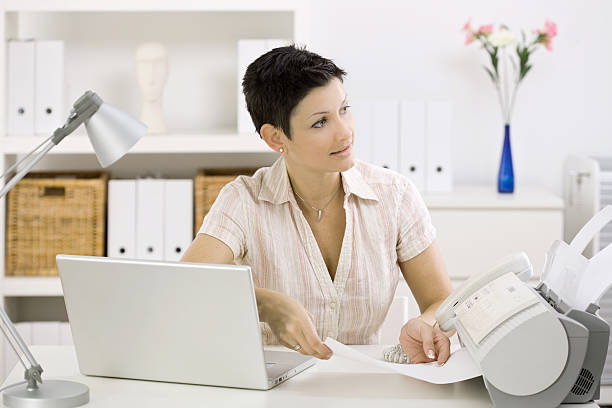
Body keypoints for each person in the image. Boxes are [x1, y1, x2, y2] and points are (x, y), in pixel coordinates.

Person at [182, 45, 455, 364]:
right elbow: (188, 284)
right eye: (319, 123)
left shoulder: (394, 195)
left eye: (344, 109)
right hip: (274, 386)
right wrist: (265, 304)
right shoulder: (244, 199)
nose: (344, 133)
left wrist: (425, 324)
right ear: (276, 138)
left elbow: (440, 301)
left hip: (364, 381)